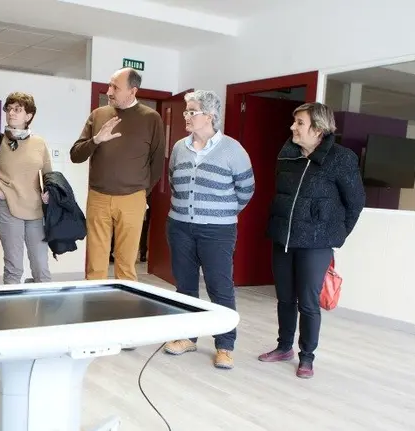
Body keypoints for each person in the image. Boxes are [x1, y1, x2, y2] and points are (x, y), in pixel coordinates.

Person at [260, 102, 365, 378]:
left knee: (308, 302)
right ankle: (284, 347)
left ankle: (307, 356)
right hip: (284, 237)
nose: (293, 127)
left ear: (318, 129)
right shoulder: (288, 154)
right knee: (284, 297)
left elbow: (355, 202)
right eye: (294, 122)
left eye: (300, 123)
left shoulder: (341, 159)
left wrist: (336, 234)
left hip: (316, 242)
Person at [162, 90, 255, 370]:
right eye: (186, 112)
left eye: (192, 112)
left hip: (218, 230)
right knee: (184, 286)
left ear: (210, 116)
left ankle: (225, 345)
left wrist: (219, 213)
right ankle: (187, 337)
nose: (186, 117)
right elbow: (173, 181)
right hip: (179, 226)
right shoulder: (180, 147)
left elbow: (246, 190)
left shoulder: (232, 149)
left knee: (220, 287)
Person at [70, 68, 165, 281]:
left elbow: (157, 163)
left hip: (133, 199)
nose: (109, 91)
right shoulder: (98, 115)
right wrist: (96, 140)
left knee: (126, 265)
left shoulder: (152, 118)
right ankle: (94, 309)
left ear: (133, 91)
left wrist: (140, 192)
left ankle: (125, 309)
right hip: (98, 197)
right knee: (95, 266)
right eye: (109, 85)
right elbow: (75, 155)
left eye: (115, 87)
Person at [0, 92, 52, 284]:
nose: (11, 113)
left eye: (18, 110)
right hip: (7, 208)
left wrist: (49, 192)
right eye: (9, 109)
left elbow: (49, 175)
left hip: (35, 210)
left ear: (29, 116)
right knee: (14, 268)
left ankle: (41, 312)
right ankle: (11, 312)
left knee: (42, 269)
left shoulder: (39, 143)